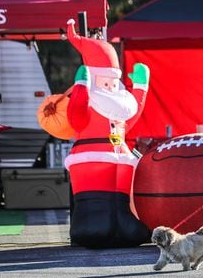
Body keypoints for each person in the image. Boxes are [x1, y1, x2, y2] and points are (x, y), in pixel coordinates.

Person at [64, 19, 151, 248]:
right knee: (96, 201)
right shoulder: (88, 99)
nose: (112, 88)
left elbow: (128, 120)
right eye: (106, 82)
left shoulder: (117, 103)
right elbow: (76, 118)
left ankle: (124, 224)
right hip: (91, 153)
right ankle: (91, 226)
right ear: (93, 79)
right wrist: (81, 88)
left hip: (120, 152)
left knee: (121, 199)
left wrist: (140, 90)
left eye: (114, 83)